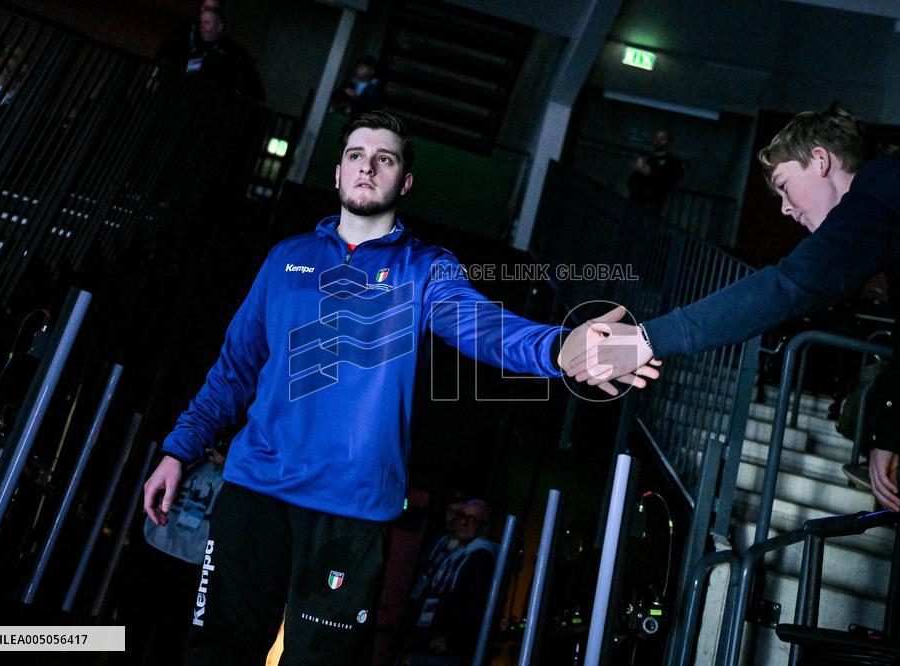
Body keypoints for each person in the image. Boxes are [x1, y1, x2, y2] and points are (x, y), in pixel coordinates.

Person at [143, 111, 649, 665]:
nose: (367, 167)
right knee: (214, 653)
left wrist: (557, 347)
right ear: (337, 173)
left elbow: (486, 328)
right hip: (254, 492)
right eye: (356, 156)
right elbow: (235, 369)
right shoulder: (286, 258)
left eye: (384, 159)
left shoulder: (426, 270)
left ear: (403, 182)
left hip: (351, 509)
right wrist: (179, 448)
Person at [565, 104, 900, 512]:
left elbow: (789, 284)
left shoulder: (883, 190)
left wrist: (647, 340)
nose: (785, 208)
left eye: (784, 184)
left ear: (821, 160)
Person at [406, 499, 496, 665]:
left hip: (444, 648)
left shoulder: (480, 557)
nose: (463, 522)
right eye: (461, 516)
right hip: (425, 638)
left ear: (485, 527)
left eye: (472, 519)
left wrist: (451, 639)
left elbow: (474, 603)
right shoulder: (449, 551)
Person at [157, 5, 264, 102]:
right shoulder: (194, 45)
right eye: (202, 23)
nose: (202, 27)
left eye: (207, 23)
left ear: (219, 26)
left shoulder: (232, 51)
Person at [626, 128, 683, 211]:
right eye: (656, 138)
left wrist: (647, 172)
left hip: (651, 204)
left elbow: (667, 182)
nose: (658, 141)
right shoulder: (648, 159)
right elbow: (632, 180)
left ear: (668, 142)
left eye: (662, 139)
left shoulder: (672, 162)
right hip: (634, 201)